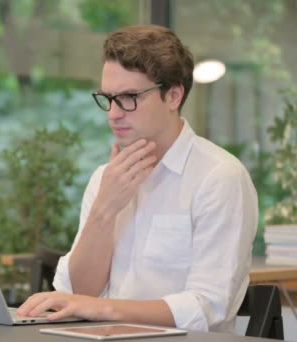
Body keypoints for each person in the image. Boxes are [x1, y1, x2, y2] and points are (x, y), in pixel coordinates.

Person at [16, 24, 258, 333]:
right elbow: (79, 292)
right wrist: (104, 209)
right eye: (108, 98)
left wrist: (102, 310)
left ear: (172, 96)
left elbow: (208, 308)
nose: (113, 114)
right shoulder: (105, 177)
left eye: (129, 97)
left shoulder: (219, 177)